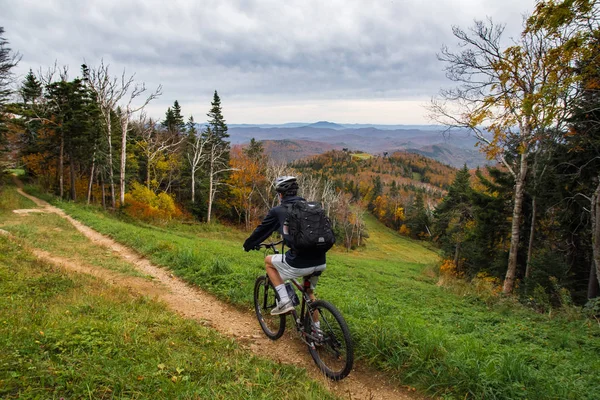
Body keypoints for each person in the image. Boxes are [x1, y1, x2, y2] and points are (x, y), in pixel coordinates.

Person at [243, 176, 327, 315]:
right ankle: (316, 332)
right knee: (309, 294)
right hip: (320, 260)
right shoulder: (310, 207)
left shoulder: (279, 210)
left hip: (299, 262)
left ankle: (284, 301)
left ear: (280, 194)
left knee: (269, 262)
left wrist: (249, 244)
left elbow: (263, 230)